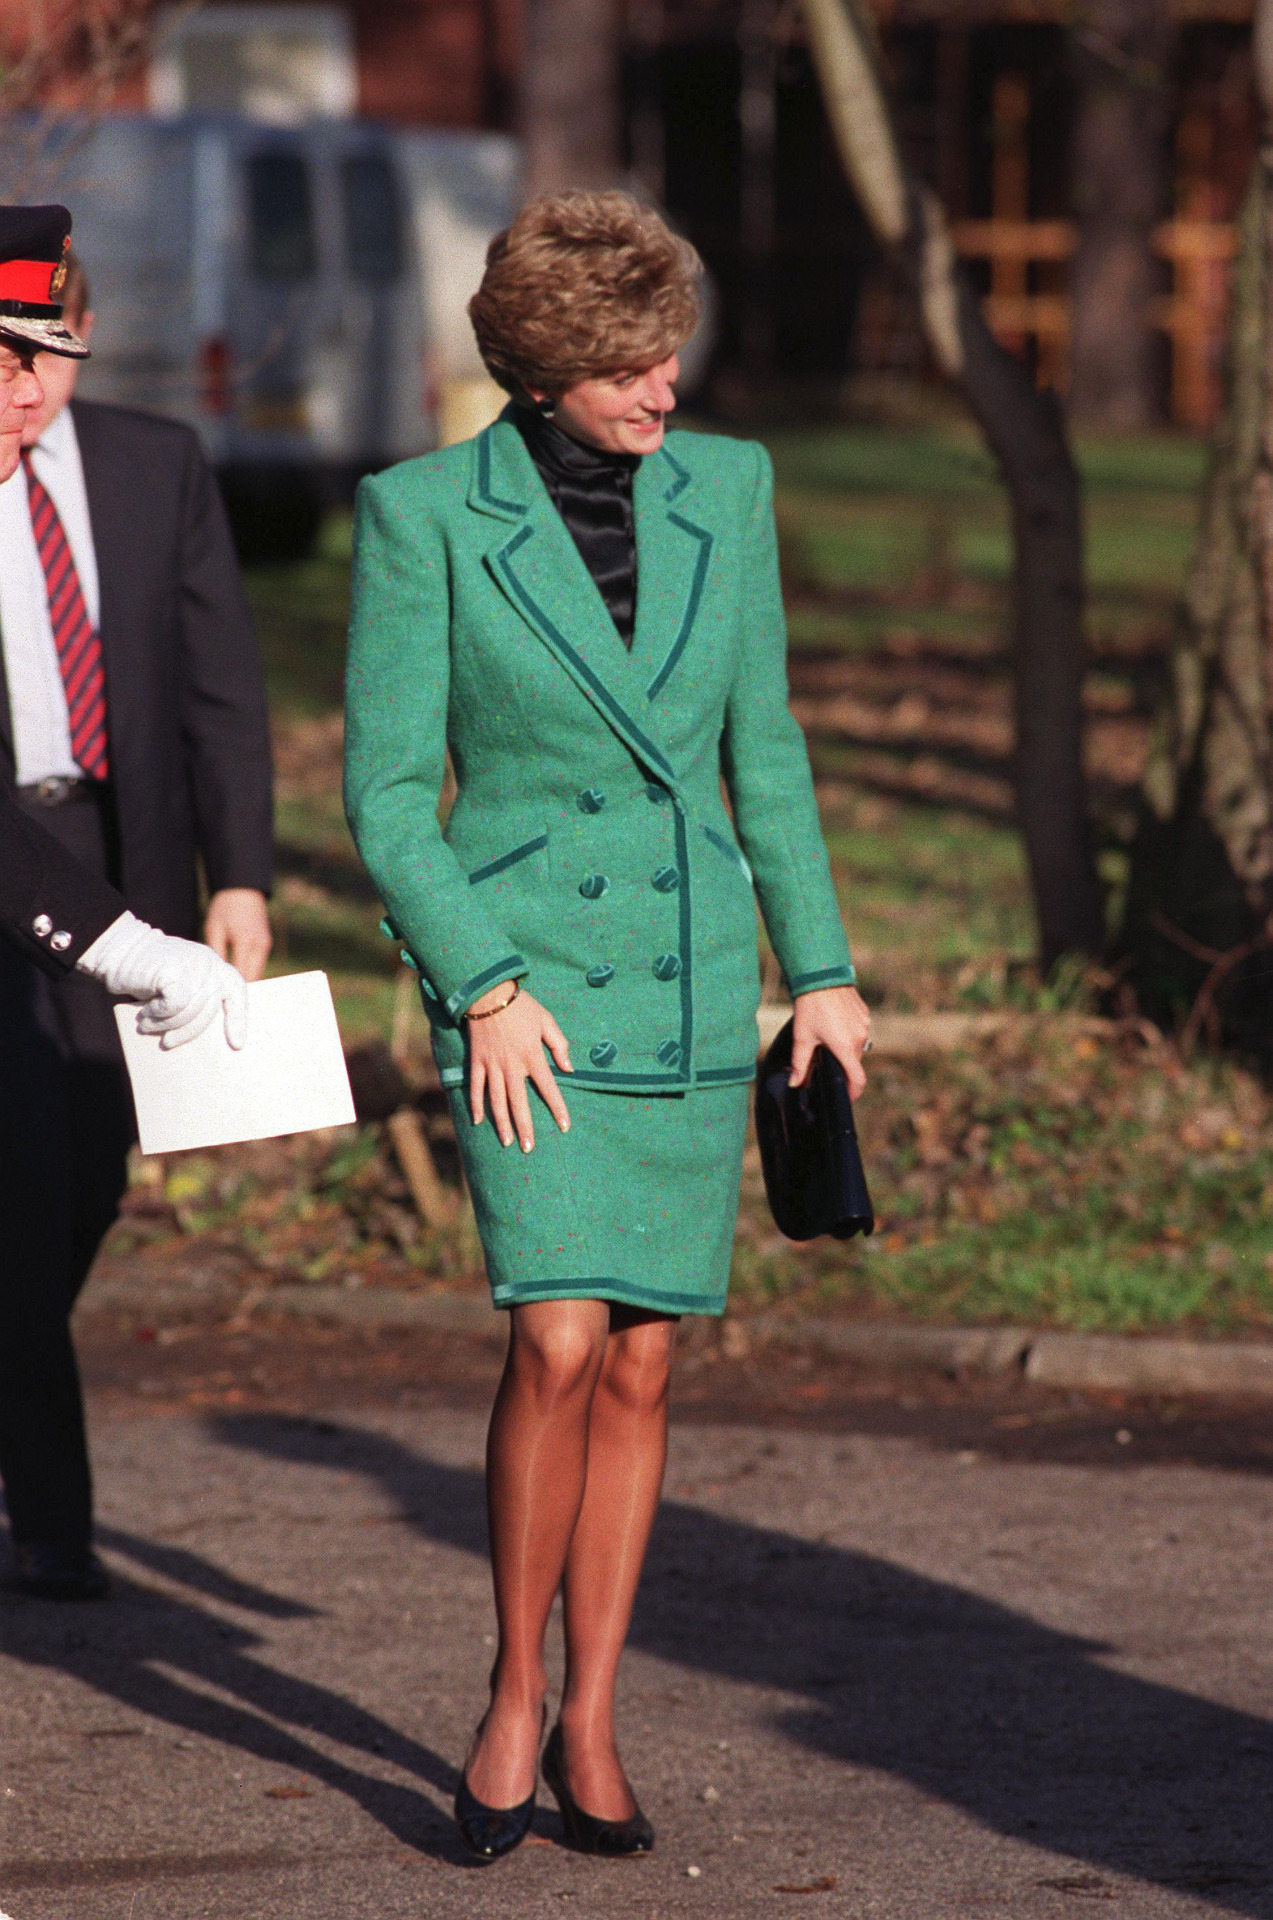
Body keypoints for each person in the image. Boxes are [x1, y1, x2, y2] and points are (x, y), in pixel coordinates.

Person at [344, 190, 870, 1860]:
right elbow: (383, 795)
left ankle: (592, 1717)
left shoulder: (733, 486)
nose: (662, 387)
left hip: (694, 976)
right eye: (628, 364)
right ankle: (510, 1692)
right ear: (546, 367)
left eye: (670, 353)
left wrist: (827, 970)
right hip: (526, 987)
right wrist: (479, 984)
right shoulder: (422, 515)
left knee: (642, 1358)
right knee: (556, 1337)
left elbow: (763, 748)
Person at [0, 204, 271, 1602]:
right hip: (9, 877)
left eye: (45, 350)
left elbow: (223, 691)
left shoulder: (156, 466)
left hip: (126, 859)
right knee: (22, 1182)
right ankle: (51, 1513)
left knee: (89, 1178)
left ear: (86, 342)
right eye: (0, 350)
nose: (24, 382)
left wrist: (243, 881)